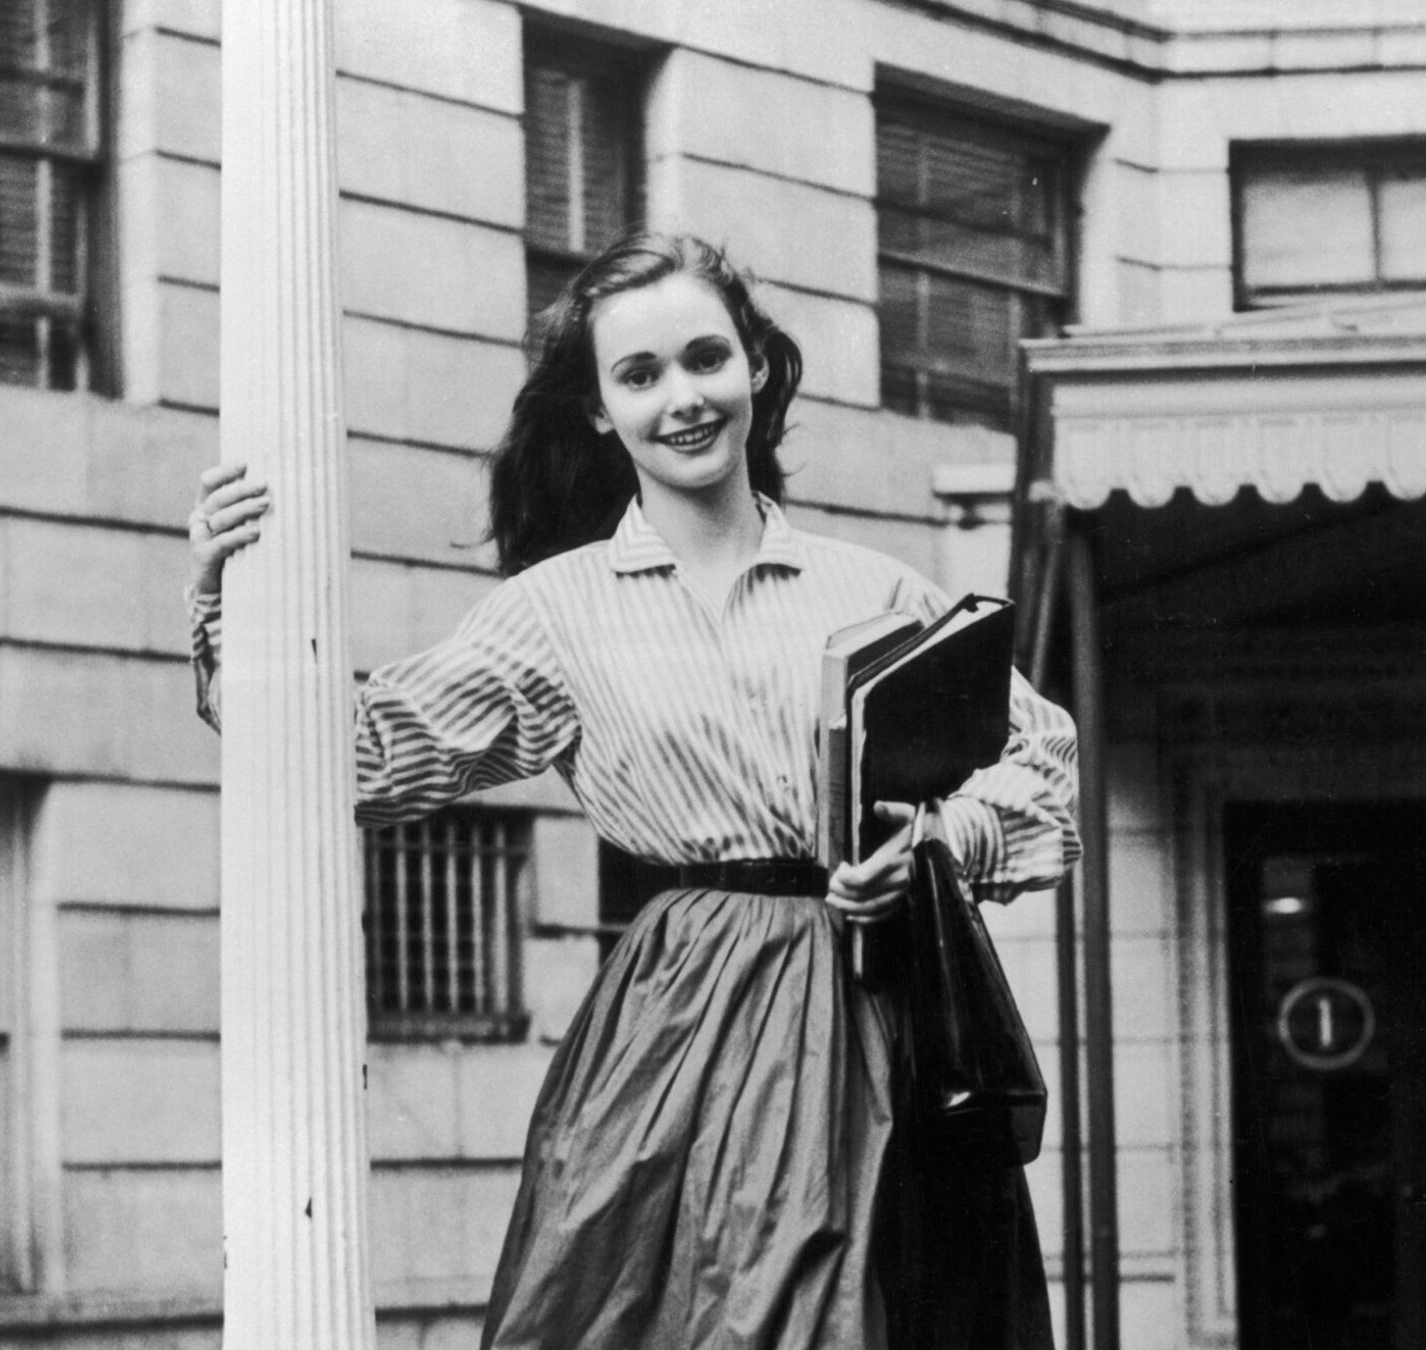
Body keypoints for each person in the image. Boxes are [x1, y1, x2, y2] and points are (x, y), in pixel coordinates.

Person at [185, 231, 1078, 1350]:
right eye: (639, 375)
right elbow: (357, 760)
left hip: (879, 1023)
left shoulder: (881, 592)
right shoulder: (554, 612)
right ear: (602, 412)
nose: (683, 399)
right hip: (676, 1034)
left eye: (706, 358)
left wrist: (940, 841)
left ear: (755, 364)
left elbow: (1042, 766)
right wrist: (232, 610)